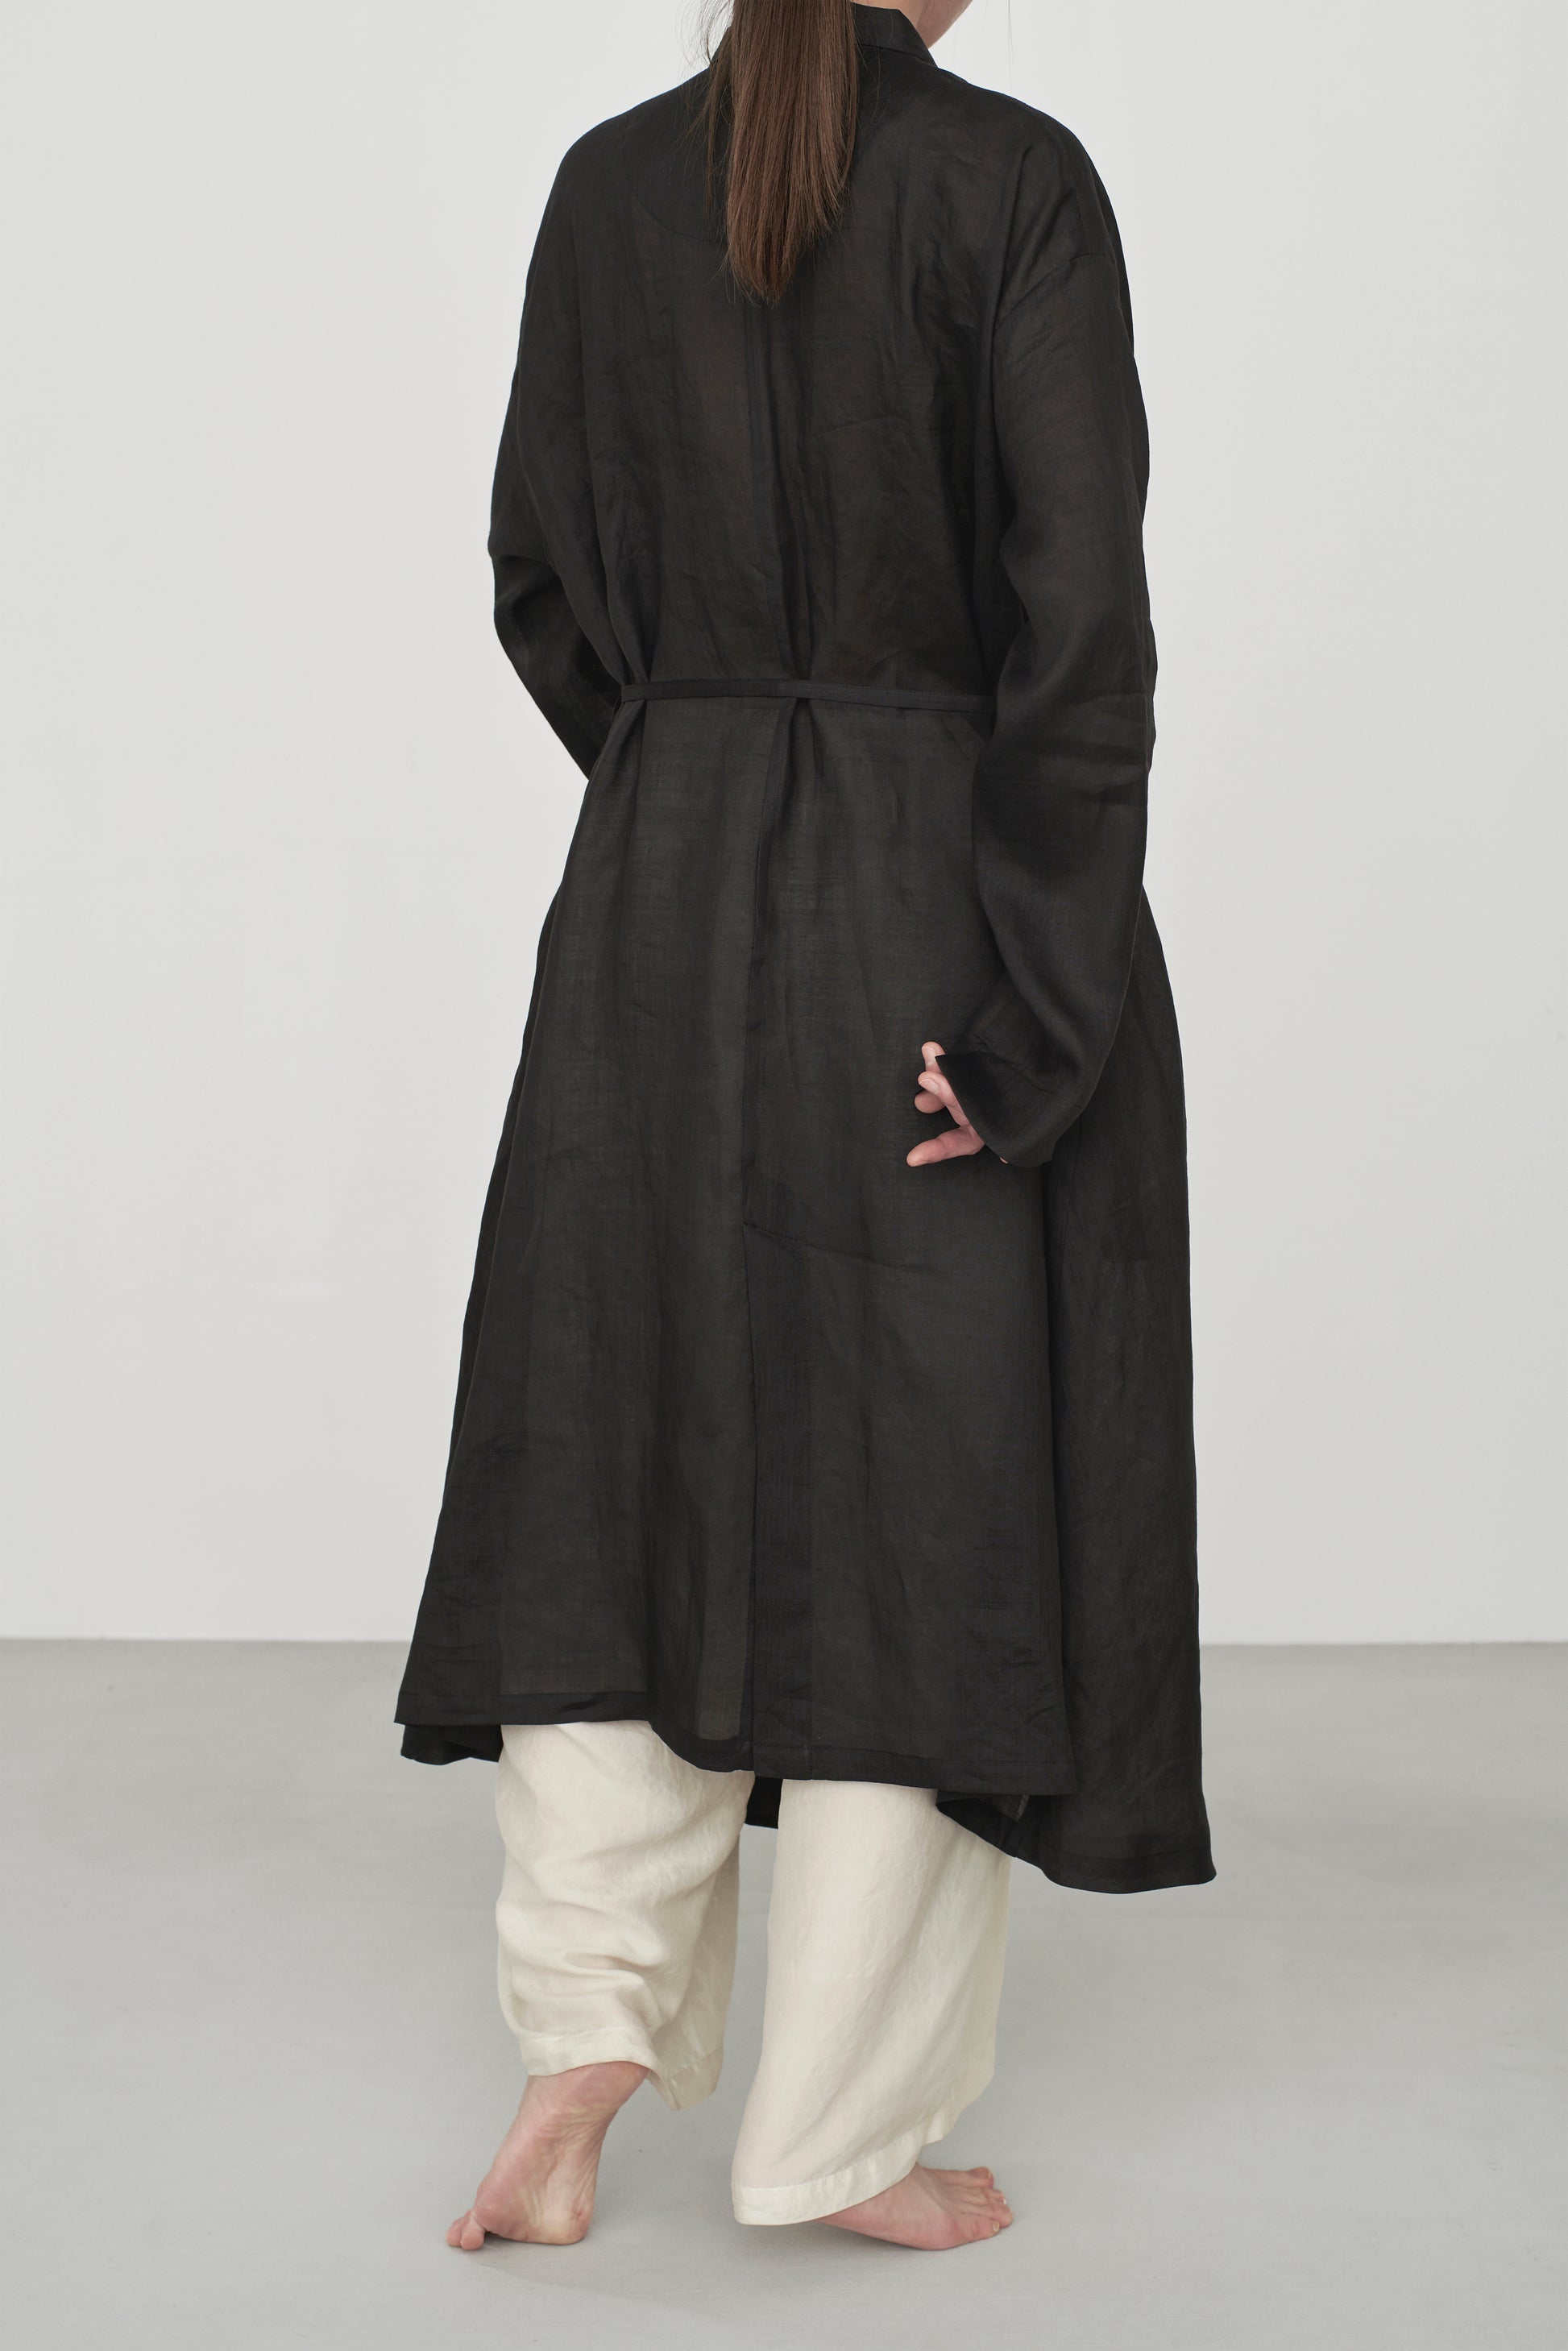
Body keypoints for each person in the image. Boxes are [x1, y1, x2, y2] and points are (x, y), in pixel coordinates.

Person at [397, 0, 1213, 2254]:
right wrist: (1036, 1015)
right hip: (933, 912)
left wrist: (699, 774)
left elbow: (539, 573)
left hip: (654, 908)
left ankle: (580, 2046)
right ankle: (835, 2142)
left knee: (619, 1449)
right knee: (920, 1505)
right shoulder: (1014, 182)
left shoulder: (604, 186)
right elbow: (1080, 634)